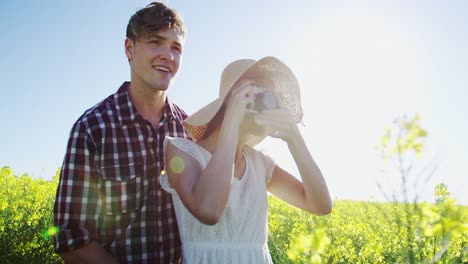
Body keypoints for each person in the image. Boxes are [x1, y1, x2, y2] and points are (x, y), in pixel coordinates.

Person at [53, 2, 190, 263]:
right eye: (155, 42)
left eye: (176, 48)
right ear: (129, 48)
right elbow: (71, 239)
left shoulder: (189, 130)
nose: (168, 56)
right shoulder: (93, 128)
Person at [161, 56, 332, 263]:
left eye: (270, 98)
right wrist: (232, 116)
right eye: (256, 95)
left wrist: (295, 139)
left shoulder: (260, 165)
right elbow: (209, 209)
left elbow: (321, 205)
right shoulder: (183, 151)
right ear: (229, 100)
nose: (266, 105)